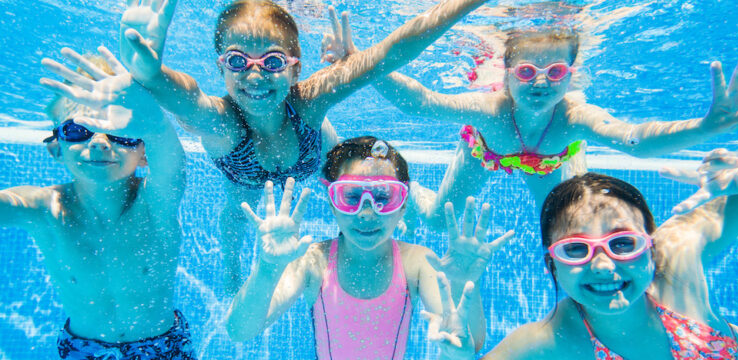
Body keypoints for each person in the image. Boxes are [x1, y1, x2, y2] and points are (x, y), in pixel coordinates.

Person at [118, 0, 495, 294]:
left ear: (296, 69)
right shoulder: (223, 123)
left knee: (349, 185)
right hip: (246, 178)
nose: (254, 75)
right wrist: (151, 73)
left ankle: (402, 203)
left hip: (317, 158)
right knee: (235, 211)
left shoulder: (308, 101)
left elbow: (390, 53)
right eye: (237, 60)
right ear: (221, 68)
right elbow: (187, 97)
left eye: (272, 61)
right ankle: (231, 268)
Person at [322, 20, 738, 230]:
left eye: (555, 72)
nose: (540, 83)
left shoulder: (573, 116)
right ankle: (416, 193)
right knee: (439, 220)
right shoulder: (490, 110)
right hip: (486, 151)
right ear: (507, 72)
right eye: (526, 72)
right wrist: (358, 62)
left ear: (571, 75)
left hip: (554, 161)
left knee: (573, 224)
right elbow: (422, 103)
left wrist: (706, 127)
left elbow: (633, 140)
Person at [426, 142, 738, 359]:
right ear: (553, 265)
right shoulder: (552, 339)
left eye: (623, 243)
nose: (604, 266)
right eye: (576, 250)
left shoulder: (678, 252)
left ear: (651, 246)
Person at [225, 136, 514, 359]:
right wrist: (267, 268)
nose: (367, 212)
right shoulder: (313, 262)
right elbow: (239, 331)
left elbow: (468, 344)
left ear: (402, 207)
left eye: (383, 197)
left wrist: (464, 284)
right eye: (350, 196)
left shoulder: (418, 263)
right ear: (332, 204)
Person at [0, 47, 194, 358]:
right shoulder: (43, 208)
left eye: (122, 132)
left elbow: (173, 165)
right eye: (78, 130)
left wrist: (153, 120)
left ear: (144, 153)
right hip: (83, 350)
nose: (100, 142)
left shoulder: (155, 201)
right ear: (57, 149)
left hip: (162, 347)